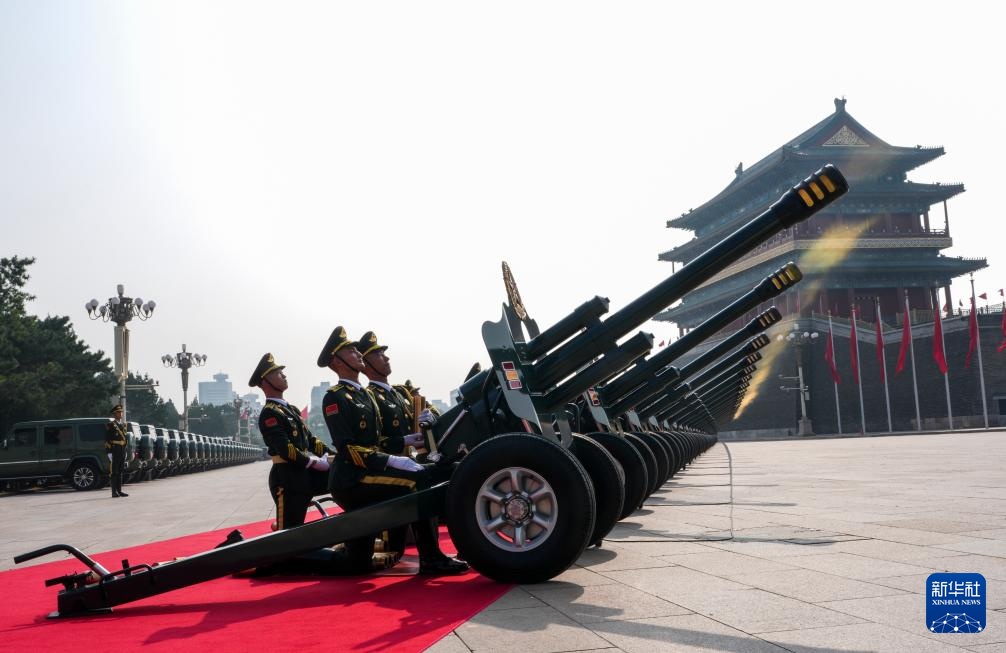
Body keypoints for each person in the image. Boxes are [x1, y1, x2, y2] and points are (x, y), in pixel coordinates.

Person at [318, 326, 468, 575]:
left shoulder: (364, 395)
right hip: (352, 478)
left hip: (371, 470)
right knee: (418, 481)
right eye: (351, 351)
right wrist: (391, 460)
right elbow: (347, 448)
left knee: (357, 563)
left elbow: (380, 438)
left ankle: (452, 548)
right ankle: (431, 558)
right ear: (337, 362)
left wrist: (406, 440)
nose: (358, 354)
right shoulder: (335, 397)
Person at [250, 353, 333, 530]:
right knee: (289, 533)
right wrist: (313, 462)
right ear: (265, 382)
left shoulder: (291, 409)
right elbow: (285, 449)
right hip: (287, 479)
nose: (284, 375)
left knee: (342, 478)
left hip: (304, 475)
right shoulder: (269, 413)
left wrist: (334, 456)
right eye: (278, 373)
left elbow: (310, 440)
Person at [105, 404, 129, 498]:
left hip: (121, 449)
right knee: (114, 472)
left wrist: (125, 450)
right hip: (115, 449)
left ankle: (119, 491)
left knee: (120, 471)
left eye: (121, 412)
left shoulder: (123, 425)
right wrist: (109, 452)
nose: (121, 414)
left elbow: (125, 439)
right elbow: (107, 439)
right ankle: (114, 492)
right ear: (115, 414)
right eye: (119, 412)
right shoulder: (111, 425)